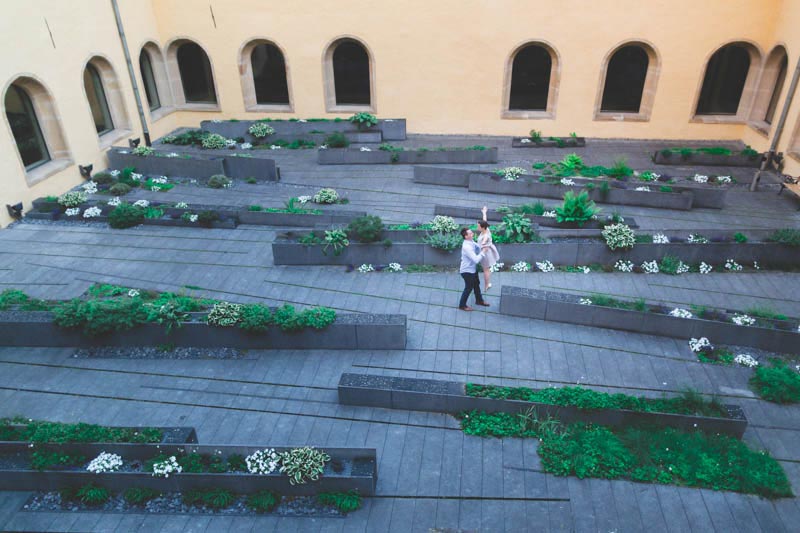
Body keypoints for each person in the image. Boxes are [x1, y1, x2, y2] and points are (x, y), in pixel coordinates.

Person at [458, 227, 490, 311]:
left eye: (472, 232)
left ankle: (479, 300)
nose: (473, 234)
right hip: (467, 271)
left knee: (476, 284)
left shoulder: (470, 241)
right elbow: (476, 260)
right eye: (471, 233)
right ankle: (462, 305)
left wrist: (484, 245)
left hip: (472, 269)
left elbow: (478, 246)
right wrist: (483, 252)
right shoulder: (466, 247)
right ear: (466, 236)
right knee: (468, 288)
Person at [477, 205, 500, 290]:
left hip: (485, 254)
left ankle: (487, 285)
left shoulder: (486, 235)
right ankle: (487, 284)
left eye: (478, 226)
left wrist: (482, 243)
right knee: (486, 269)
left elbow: (484, 241)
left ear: (482, 227)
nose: (477, 227)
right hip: (486, 252)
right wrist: (484, 212)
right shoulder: (486, 228)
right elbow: (484, 220)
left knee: (486, 270)